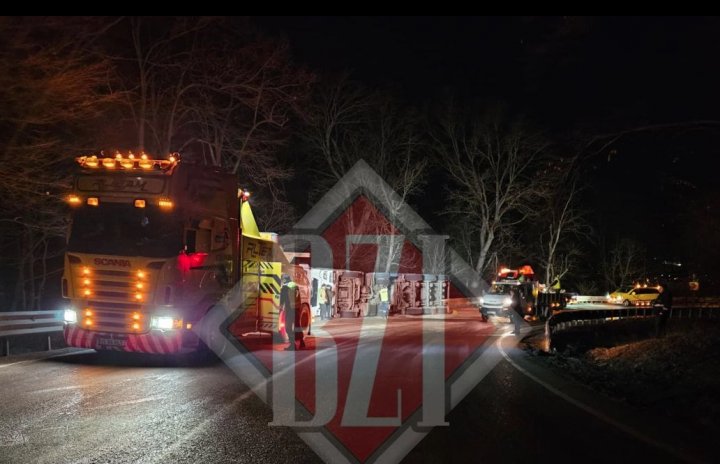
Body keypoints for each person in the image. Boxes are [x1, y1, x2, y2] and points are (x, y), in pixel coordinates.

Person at [280, 274, 305, 350]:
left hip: (290, 310)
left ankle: (292, 344)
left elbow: (282, 301)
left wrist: (279, 309)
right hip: (297, 309)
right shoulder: (295, 286)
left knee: (288, 327)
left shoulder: (285, 288)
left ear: (284, 280)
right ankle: (302, 342)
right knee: (297, 326)